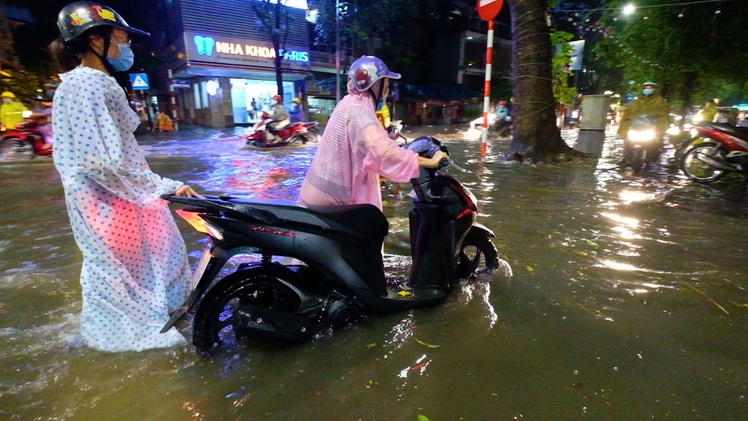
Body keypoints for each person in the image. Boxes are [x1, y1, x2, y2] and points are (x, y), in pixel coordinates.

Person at [49, 1, 202, 352]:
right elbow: (102, 163)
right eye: (121, 38)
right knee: (130, 281)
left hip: (118, 203)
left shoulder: (89, 84)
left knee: (146, 271)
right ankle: (130, 347)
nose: (126, 46)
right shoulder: (88, 84)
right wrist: (167, 186)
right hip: (113, 207)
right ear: (95, 39)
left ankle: (121, 338)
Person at [299, 55, 446, 210]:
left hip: (318, 192)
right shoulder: (360, 112)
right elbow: (381, 152)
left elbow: (365, 144)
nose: (387, 91)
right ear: (376, 85)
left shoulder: (347, 103)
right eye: (386, 84)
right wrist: (432, 161)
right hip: (331, 201)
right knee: (373, 227)